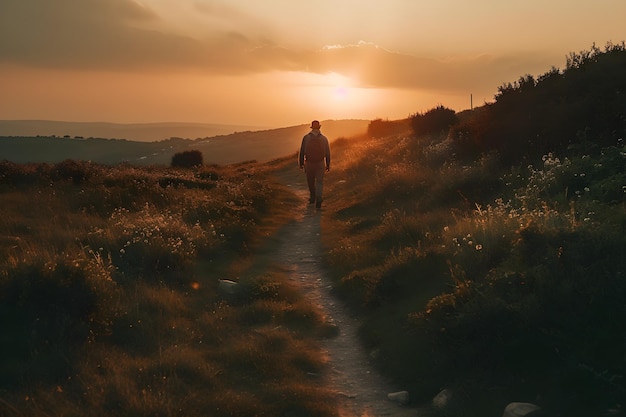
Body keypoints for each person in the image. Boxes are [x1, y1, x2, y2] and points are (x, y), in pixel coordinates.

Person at [299, 120, 331, 208]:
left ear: (312, 127)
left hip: (309, 162)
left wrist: (301, 162)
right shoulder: (324, 138)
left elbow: (302, 151)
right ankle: (319, 198)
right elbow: (327, 153)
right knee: (319, 181)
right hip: (320, 163)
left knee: (310, 181)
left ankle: (312, 197)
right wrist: (328, 164)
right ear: (319, 127)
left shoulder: (306, 137)